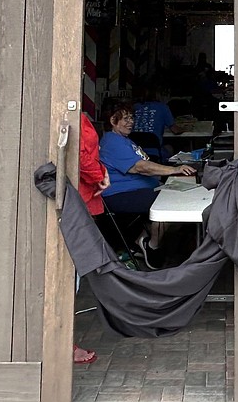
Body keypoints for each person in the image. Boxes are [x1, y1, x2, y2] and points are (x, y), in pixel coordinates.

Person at [99, 105, 195, 267]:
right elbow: (140, 167)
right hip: (121, 194)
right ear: (113, 121)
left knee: (179, 198)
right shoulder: (112, 142)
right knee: (169, 205)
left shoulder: (124, 139)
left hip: (140, 189)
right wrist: (174, 170)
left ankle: (144, 238)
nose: (131, 122)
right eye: (126, 118)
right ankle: (152, 245)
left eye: (132, 118)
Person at [74, 111, 109, 365]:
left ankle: (64, 340)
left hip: (78, 199)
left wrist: (101, 171)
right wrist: (99, 175)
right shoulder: (73, 116)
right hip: (78, 201)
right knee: (70, 277)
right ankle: (63, 343)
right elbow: (81, 155)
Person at [132, 84, 181, 158]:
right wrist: (185, 128)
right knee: (170, 148)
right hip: (155, 152)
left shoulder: (135, 107)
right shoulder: (163, 107)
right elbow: (175, 130)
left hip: (135, 152)